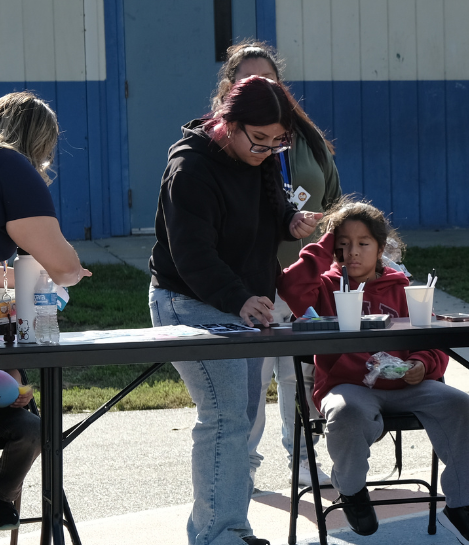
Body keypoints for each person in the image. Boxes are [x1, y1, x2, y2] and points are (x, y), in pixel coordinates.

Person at [148, 75, 322, 545]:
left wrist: (289, 220)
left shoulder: (260, 158)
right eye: (258, 139)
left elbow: (267, 204)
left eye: (277, 142)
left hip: (239, 304)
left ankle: (232, 528)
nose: (265, 151)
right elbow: (193, 254)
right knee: (225, 415)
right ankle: (217, 534)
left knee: (240, 418)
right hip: (188, 300)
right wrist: (239, 297)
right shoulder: (190, 169)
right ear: (227, 122)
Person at [277, 200, 469, 544]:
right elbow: (289, 288)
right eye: (343, 245)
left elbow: (432, 342)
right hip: (348, 385)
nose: (353, 253)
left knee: (459, 404)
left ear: (381, 247)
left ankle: (463, 506)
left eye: (363, 243)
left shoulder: (402, 285)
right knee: (346, 412)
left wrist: (423, 365)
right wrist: (323, 246)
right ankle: (352, 490)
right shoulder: (325, 286)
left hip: (406, 384)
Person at [211, 39, 340, 491]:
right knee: (250, 382)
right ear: (230, 88)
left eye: (270, 79)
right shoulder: (224, 146)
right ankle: (240, 469)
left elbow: (333, 200)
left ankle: (304, 461)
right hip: (253, 283)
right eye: (250, 80)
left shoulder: (306, 140)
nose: (264, 87)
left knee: (300, 376)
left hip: (305, 279)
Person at [0, 91, 92, 531]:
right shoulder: (9, 166)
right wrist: (63, 271)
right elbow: (65, 267)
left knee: (25, 420)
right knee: (29, 420)